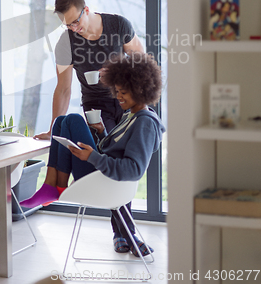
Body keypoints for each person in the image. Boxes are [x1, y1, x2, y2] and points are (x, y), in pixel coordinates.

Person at [22, 52, 165, 257]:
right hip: (102, 176)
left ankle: (55, 186)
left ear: (140, 89)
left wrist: (92, 157)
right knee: (62, 122)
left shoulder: (145, 123)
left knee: (72, 120)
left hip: (105, 181)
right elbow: (115, 150)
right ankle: (52, 184)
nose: (118, 97)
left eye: (123, 92)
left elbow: (133, 170)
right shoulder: (131, 115)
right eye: (117, 91)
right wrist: (101, 133)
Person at [34, 0, 144, 140]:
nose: (73, 28)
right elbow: (63, 89)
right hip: (96, 105)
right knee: (108, 148)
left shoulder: (119, 25)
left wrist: (117, 73)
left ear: (86, 10)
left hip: (127, 96)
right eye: (67, 25)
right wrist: (54, 129)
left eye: (76, 22)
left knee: (135, 148)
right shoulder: (66, 43)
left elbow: (142, 63)